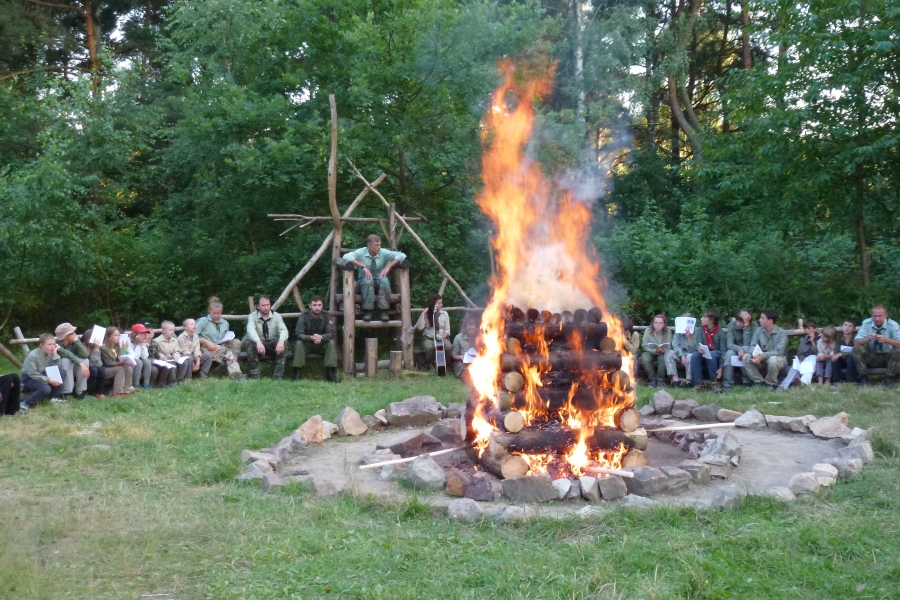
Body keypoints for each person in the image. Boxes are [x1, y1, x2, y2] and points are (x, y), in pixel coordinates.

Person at [342, 234, 406, 322]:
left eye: (380, 244)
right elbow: (346, 256)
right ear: (369, 245)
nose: (379, 247)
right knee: (367, 281)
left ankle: (384, 311)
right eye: (376, 245)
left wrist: (388, 266)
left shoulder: (383, 252)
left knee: (384, 280)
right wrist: (362, 266)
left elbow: (401, 255)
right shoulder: (361, 252)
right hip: (363, 282)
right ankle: (368, 311)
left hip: (378, 281)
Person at [243, 295, 289, 380]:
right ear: (258, 306)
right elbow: (250, 329)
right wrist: (258, 341)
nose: (266, 308)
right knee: (249, 341)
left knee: (284, 343)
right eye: (263, 305)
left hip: (273, 344)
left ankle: (278, 376)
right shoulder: (252, 316)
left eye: (268, 305)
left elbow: (284, 330)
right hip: (259, 345)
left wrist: (281, 341)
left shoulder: (277, 316)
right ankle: (255, 375)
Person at [852, 304, 900, 388]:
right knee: (857, 348)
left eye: (880, 316)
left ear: (886, 315)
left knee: (898, 350)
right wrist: (868, 339)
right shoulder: (866, 323)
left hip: (888, 357)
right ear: (871, 315)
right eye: (875, 316)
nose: (877, 319)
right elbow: (856, 342)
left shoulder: (893, 325)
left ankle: (889, 379)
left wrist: (886, 340)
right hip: (872, 356)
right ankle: (863, 378)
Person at [293, 295, 339, 382]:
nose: (317, 308)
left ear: (322, 306)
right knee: (299, 343)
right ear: (310, 306)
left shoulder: (327, 315)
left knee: (331, 343)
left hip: (321, 344)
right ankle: (297, 373)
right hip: (307, 344)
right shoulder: (304, 315)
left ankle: (331, 373)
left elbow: (330, 333)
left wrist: (321, 337)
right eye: (314, 305)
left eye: (319, 305)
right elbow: (298, 334)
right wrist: (311, 337)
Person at [196, 296, 243, 380]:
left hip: (221, 346)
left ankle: (231, 366)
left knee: (237, 342)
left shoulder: (225, 323)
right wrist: (206, 341)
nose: (216, 315)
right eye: (214, 313)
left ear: (221, 312)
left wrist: (227, 339)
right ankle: (236, 374)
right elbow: (192, 337)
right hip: (207, 348)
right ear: (209, 311)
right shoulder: (203, 321)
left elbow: (225, 336)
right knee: (228, 351)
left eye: (218, 313)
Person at [742, 308, 787, 391]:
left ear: (770, 321)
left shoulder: (781, 333)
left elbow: (779, 352)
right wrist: (754, 355)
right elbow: (753, 345)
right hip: (761, 359)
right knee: (746, 357)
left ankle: (770, 383)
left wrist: (762, 356)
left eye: (762, 318)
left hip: (778, 360)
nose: (759, 320)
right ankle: (758, 381)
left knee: (773, 360)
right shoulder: (759, 330)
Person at [20, 333, 67, 409]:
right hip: (29, 377)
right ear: (41, 345)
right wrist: (48, 380)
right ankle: (26, 403)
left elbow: (56, 368)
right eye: (49, 344)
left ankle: (54, 397)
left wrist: (55, 354)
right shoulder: (33, 355)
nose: (52, 347)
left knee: (62, 372)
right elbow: (33, 374)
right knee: (46, 388)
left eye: (54, 344)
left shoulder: (50, 353)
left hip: (42, 373)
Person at [689, 309, 727, 391]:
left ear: (711, 320)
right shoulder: (701, 330)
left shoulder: (720, 332)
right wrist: (699, 349)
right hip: (704, 352)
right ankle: (698, 383)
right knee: (695, 355)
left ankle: (715, 382)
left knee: (712, 355)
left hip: (716, 353)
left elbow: (723, 351)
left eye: (704, 317)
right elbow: (698, 343)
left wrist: (721, 367)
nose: (701, 319)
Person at [641, 314, 679, 388]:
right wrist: (654, 351)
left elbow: (668, 346)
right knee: (645, 358)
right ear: (653, 323)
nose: (657, 325)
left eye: (660, 323)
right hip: (650, 352)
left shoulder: (668, 332)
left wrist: (662, 350)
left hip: (662, 352)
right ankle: (652, 379)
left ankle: (660, 379)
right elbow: (644, 346)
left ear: (664, 324)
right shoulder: (647, 331)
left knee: (663, 359)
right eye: (656, 323)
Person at [56, 322, 91, 399]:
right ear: (65, 336)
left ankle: (81, 392)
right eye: (71, 333)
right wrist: (81, 364)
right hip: (59, 372)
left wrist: (77, 341)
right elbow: (67, 354)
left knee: (85, 360)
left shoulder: (74, 343)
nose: (75, 334)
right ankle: (66, 393)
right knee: (66, 360)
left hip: (71, 369)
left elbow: (85, 354)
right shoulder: (56, 344)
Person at [723, 309, 757, 390]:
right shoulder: (732, 325)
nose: (738, 324)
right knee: (729, 354)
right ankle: (727, 384)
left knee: (746, 353)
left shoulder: (754, 327)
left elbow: (748, 344)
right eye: (737, 320)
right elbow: (729, 344)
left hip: (749, 349)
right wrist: (739, 349)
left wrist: (746, 326)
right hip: (735, 349)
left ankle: (746, 381)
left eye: (742, 322)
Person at [415, 294, 450, 368]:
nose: (442, 305)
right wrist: (423, 314)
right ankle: (429, 365)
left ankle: (445, 366)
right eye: (439, 303)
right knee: (429, 348)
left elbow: (447, 330)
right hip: (429, 338)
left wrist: (442, 338)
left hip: (441, 337)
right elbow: (420, 328)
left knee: (449, 346)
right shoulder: (426, 314)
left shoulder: (444, 314)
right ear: (434, 305)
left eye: (441, 302)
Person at [100, 327, 135, 396]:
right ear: (109, 337)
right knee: (120, 368)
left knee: (128, 368)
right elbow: (108, 363)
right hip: (105, 369)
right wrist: (121, 363)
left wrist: (124, 349)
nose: (118, 337)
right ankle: (117, 392)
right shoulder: (104, 348)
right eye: (115, 335)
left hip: (114, 367)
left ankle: (126, 390)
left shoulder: (116, 346)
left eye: (119, 335)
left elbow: (119, 358)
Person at [153, 321, 186, 386]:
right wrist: (162, 356)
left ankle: (180, 380)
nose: (172, 332)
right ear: (163, 331)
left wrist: (176, 356)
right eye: (170, 330)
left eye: (173, 330)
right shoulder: (157, 341)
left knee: (185, 362)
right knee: (171, 364)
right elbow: (156, 352)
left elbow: (175, 351)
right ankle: (172, 382)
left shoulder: (174, 340)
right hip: (162, 360)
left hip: (172, 358)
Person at [672, 313, 699, 384]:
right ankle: (675, 380)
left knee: (690, 356)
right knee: (669, 354)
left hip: (690, 354)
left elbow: (694, 349)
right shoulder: (678, 331)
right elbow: (675, 345)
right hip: (680, 354)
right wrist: (681, 355)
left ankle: (688, 381)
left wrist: (689, 338)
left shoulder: (696, 332)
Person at [80, 330, 106, 398]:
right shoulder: (82, 346)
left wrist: (96, 349)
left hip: (94, 366)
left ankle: (100, 392)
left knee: (101, 369)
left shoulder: (96, 346)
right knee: (94, 370)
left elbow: (99, 364)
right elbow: (90, 363)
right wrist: (96, 349)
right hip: (83, 366)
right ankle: (90, 392)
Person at [129, 324, 155, 389]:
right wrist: (139, 344)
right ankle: (136, 384)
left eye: (144, 334)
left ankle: (146, 383)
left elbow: (145, 356)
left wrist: (142, 344)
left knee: (147, 361)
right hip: (131, 362)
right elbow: (135, 357)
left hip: (139, 360)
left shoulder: (142, 343)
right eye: (141, 334)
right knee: (138, 362)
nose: (144, 336)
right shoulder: (129, 343)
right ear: (134, 334)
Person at [833, 318, 858, 384]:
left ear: (854, 329)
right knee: (835, 359)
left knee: (851, 359)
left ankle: (851, 380)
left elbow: (856, 352)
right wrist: (839, 355)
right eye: (845, 325)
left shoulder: (856, 338)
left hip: (853, 361)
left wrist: (842, 354)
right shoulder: (838, 338)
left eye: (850, 326)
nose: (847, 327)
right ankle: (837, 380)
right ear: (842, 326)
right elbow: (836, 351)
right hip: (842, 360)